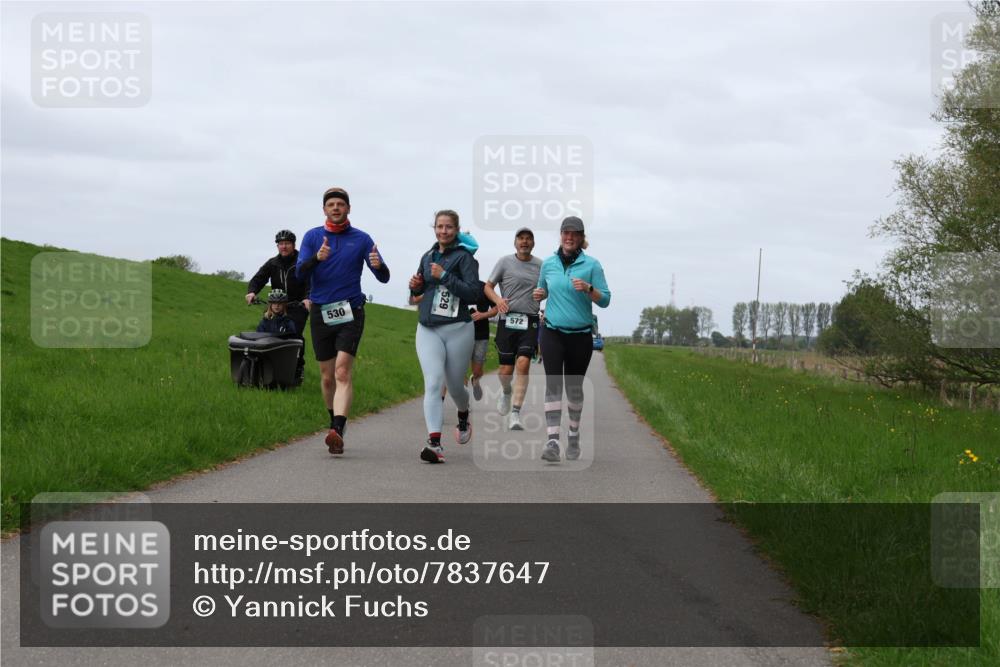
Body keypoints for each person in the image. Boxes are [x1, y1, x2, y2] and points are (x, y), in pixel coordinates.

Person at [296, 187, 389, 456]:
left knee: (342, 372)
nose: (336, 208)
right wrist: (317, 258)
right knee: (326, 378)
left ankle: (337, 428)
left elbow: (383, 277)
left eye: (340, 204)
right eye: (331, 205)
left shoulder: (361, 239)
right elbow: (300, 274)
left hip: (351, 310)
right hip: (321, 311)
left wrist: (379, 265)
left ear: (348, 209)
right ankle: (334, 424)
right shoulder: (313, 237)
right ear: (324, 210)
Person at [533, 216, 611, 462]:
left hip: (580, 336)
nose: (569, 237)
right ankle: (553, 441)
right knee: (554, 384)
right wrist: (539, 294)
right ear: (561, 235)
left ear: (581, 238)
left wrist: (589, 288)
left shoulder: (592, 265)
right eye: (565, 233)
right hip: (552, 331)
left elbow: (606, 300)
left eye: (574, 234)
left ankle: (574, 434)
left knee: (574, 389)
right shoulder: (548, 264)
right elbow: (541, 291)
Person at [408, 210, 481, 464]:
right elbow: (420, 288)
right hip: (428, 327)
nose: (443, 231)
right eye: (439, 227)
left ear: (456, 230)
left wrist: (445, 277)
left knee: (455, 386)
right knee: (433, 382)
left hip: (458, 329)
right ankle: (435, 443)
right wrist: (415, 284)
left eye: (448, 227)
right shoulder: (427, 256)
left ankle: (463, 413)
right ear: (434, 228)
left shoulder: (466, 258)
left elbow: (473, 294)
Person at [484, 227, 543, 430]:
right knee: (505, 370)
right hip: (507, 319)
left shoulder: (541, 266)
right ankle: (506, 391)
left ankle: (515, 414)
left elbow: (547, 290)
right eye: (521, 238)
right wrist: (498, 300)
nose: (525, 242)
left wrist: (543, 295)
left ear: (533, 243)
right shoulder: (504, 262)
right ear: (515, 242)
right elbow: (488, 286)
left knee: (524, 362)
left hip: (531, 320)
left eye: (528, 239)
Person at [247, 230, 311, 380]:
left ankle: (297, 367)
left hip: (298, 306)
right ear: (277, 246)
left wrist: (307, 298)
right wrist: (252, 292)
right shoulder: (272, 263)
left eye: (287, 243)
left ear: (293, 245)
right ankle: (267, 367)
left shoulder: (302, 261)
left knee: (293, 336)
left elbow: (310, 281)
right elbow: (259, 278)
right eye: (281, 244)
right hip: (277, 304)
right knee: (266, 332)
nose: (284, 246)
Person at [468, 280, 497, 402]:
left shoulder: (485, 288)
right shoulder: (456, 284)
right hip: (461, 333)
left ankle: (475, 380)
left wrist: (483, 315)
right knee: (461, 369)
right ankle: (465, 404)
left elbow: (496, 307)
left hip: (481, 334)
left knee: (477, 371)